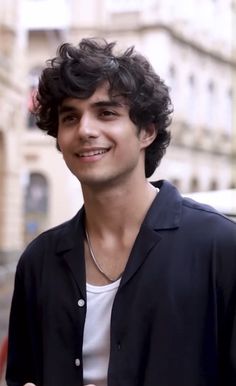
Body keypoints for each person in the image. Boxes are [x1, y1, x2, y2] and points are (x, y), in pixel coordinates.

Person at [6, 38, 236, 386]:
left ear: (146, 131)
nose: (85, 130)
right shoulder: (38, 262)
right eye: (70, 117)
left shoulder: (220, 247)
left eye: (106, 113)